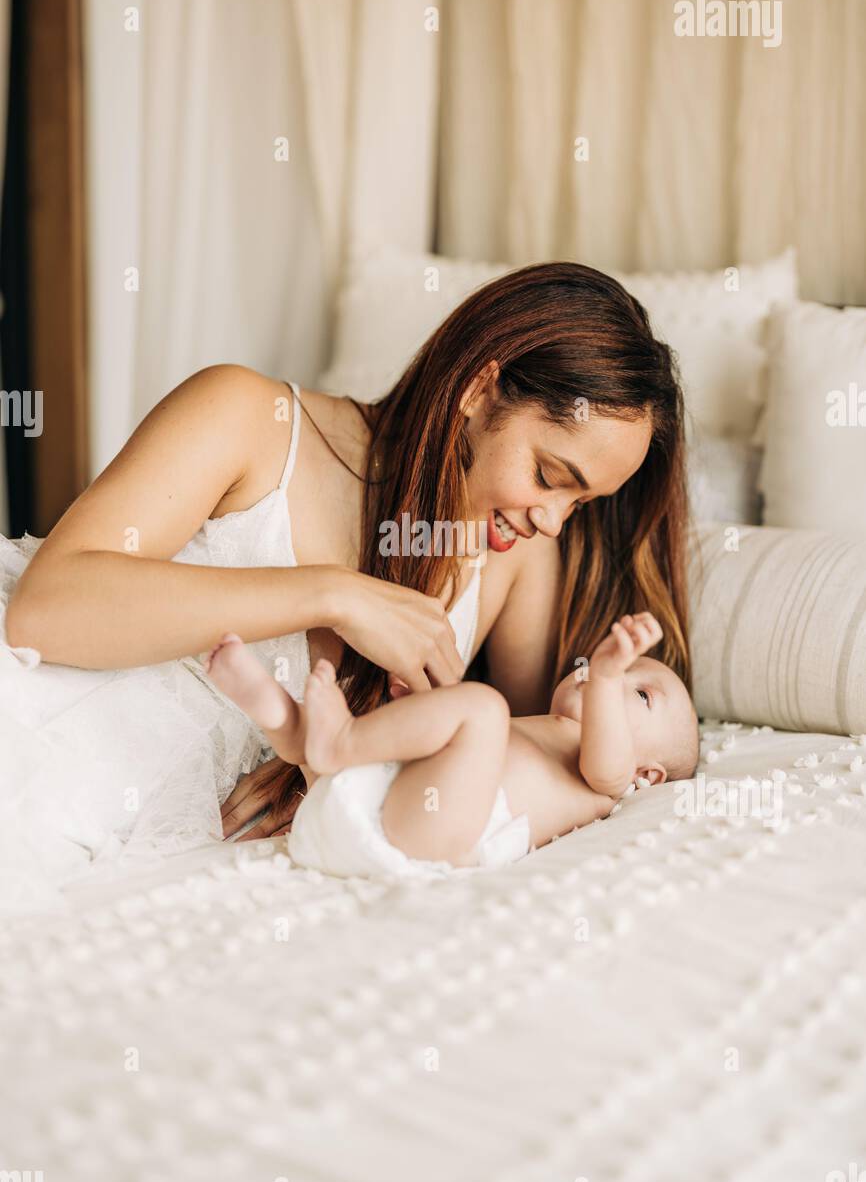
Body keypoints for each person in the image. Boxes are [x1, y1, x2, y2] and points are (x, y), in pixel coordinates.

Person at [1, 262, 693, 904]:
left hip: (144, 835)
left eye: (582, 503)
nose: (552, 519)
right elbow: (45, 611)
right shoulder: (247, 417)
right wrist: (333, 593)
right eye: (549, 475)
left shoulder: (513, 551)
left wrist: (340, 776)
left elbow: (523, 757)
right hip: (41, 726)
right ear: (479, 391)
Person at [203, 611, 701, 878]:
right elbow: (456, 759)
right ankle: (280, 717)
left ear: (648, 775)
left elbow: (605, 766)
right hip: (367, 813)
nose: (604, 675)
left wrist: (610, 670)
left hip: (435, 841)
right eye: (610, 669)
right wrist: (421, 704)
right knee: (466, 715)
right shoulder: (540, 727)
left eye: (638, 691)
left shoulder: (610, 780)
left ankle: (338, 741)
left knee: (483, 707)